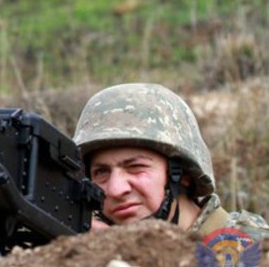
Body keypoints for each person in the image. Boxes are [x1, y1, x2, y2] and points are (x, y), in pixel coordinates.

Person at [72, 83, 269, 242]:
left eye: (135, 167)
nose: (115, 189)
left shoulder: (252, 251)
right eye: (101, 172)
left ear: (181, 174)